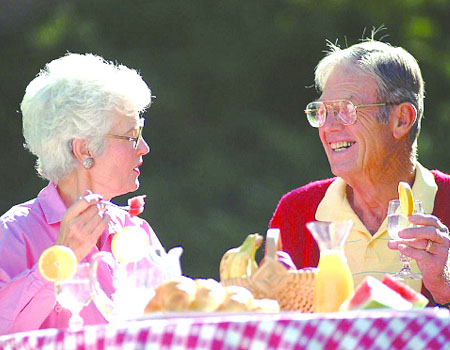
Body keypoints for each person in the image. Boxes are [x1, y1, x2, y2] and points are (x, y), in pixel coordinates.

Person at [269, 38, 450, 306]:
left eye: (345, 110)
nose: (328, 127)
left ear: (401, 120)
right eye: (322, 111)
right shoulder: (295, 212)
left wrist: (445, 287)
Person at [0, 53, 164, 334]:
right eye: (132, 136)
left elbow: (174, 323)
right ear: (84, 149)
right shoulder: (15, 231)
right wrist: (60, 259)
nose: (144, 147)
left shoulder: (137, 229)